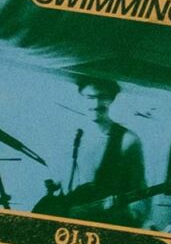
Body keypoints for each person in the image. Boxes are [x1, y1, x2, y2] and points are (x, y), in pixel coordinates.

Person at [59, 73, 148, 227]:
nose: (96, 104)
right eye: (90, 97)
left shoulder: (128, 140)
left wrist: (131, 217)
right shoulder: (71, 135)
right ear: (81, 97)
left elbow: (139, 192)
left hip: (106, 223)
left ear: (112, 99)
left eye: (102, 97)